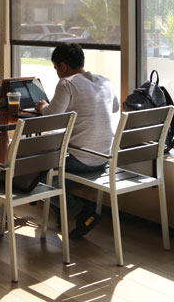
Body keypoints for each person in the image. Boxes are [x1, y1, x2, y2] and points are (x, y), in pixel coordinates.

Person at [34, 43, 119, 239]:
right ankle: (65, 211)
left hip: (80, 159)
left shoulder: (67, 84)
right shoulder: (105, 81)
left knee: (34, 178)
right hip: (104, 157)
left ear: (63, 66)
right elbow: (114, 107)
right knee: (53, 177)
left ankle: (82, 211)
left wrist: (43, 106)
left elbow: (52, 118)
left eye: (56, 68)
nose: (57, 73)